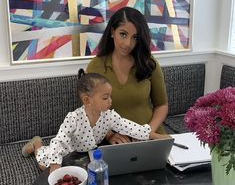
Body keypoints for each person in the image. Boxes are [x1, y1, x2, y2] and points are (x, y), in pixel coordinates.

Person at [22, 69, 169, 174]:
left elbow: (131, 127)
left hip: (88, 155)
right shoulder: (73, 118)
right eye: (105, 98)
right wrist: (55, 166)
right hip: (69, 151)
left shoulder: (109, 116)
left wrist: (157, 137)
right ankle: (37, 144)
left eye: (110, 96)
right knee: (44, 165)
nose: (110, 101)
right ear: (88, 100)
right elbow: (59, 141)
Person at [86, 7, 168, 144]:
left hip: (151, 137)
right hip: (116, 141)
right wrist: (109, 135)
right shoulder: (96, 66)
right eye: (123, 34)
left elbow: (162, 104)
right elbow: (91, 109)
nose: (128, 43)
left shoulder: (149, 63)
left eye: (135, 37)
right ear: (112, 31)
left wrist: (148, 132)